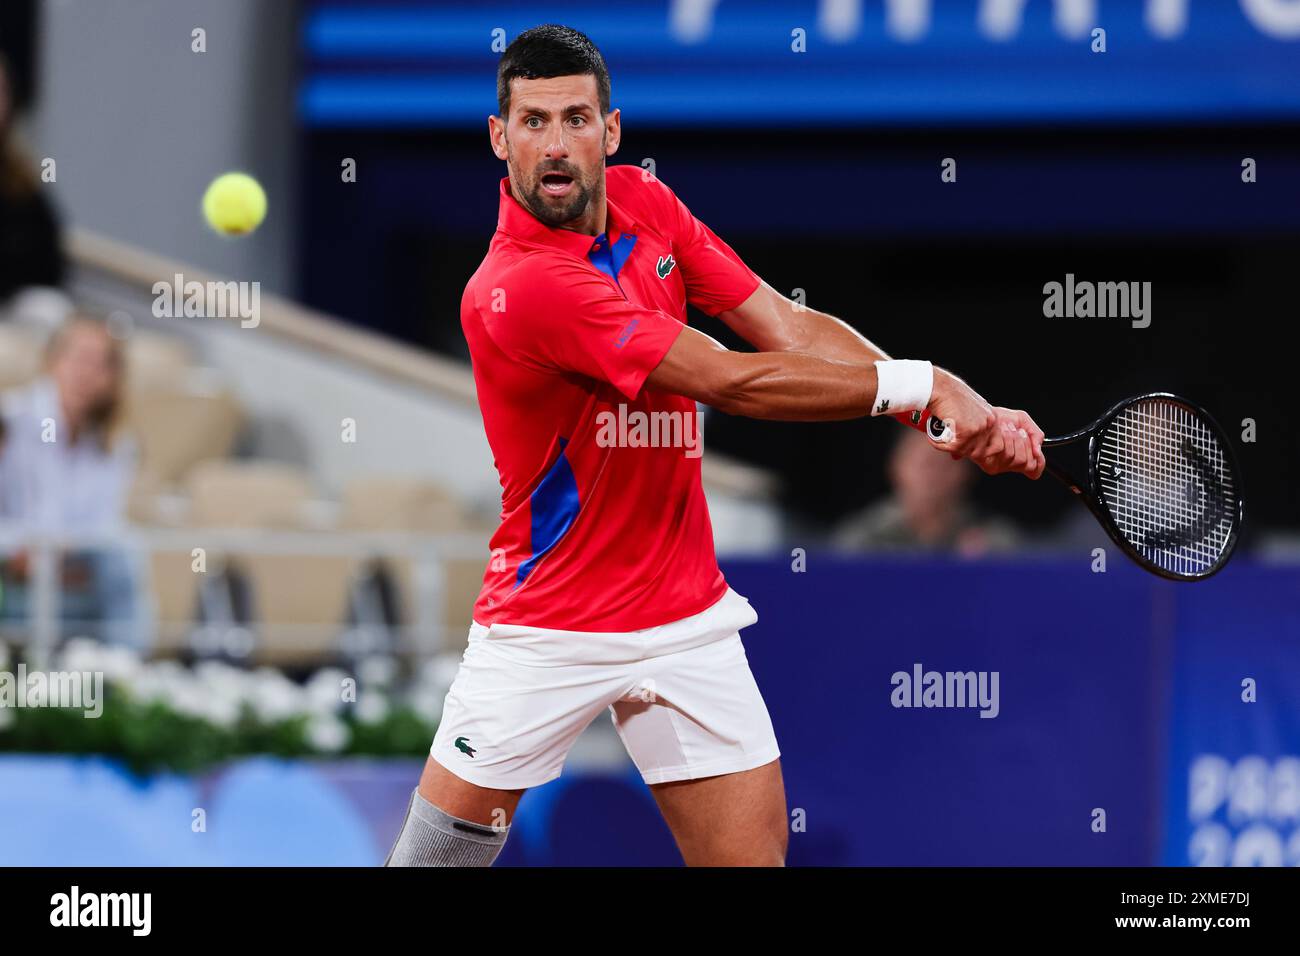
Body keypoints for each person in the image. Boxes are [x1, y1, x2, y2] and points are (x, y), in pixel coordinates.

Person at [385, 24, 1045, 868]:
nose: (556, 145)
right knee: (433, 863)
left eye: (577, 119)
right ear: (499, 136)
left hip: (684, 617)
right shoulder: (520, 287)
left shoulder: (648, 206)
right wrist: (924, 385)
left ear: (611, 131)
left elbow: (788, 325)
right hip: (547, 624)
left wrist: (945, 416)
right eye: (535, 121)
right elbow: (735, 379)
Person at [0, 316, 146, 649]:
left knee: (124, 553)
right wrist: (21, 555)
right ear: (52, 360)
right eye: (78, 358)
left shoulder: (115, 444)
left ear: (113, 378)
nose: (87, 372)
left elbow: (100, 531)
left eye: (100, 364)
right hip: (11, 578)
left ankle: (122, 678)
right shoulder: (9, 419)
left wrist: (52, 559)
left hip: (71, 578)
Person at [832, 427, 1021, 554]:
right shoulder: (859, 540)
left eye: (944, 464)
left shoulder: (995, 542)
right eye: (922, 463)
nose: (932, 474)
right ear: (895, 466)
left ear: (966, 472)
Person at [0, 52, 66, 317]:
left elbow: (48, 262)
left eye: (2, 91)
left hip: (13, 303)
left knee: (49, 309)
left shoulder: (20, 177)